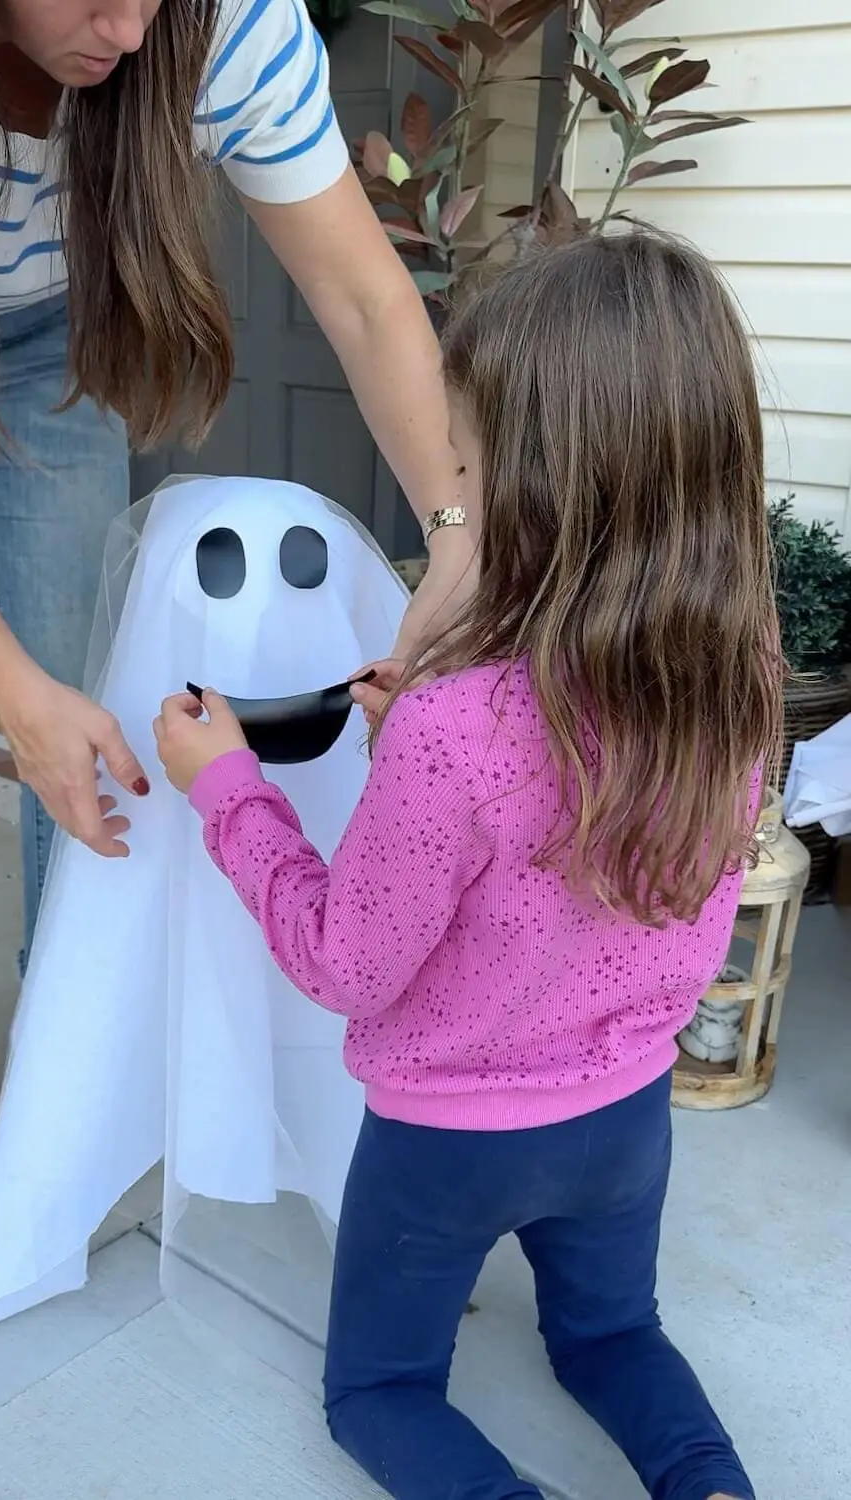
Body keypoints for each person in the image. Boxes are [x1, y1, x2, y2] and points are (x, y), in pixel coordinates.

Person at [152, 228, 782, 1500]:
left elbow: (345, 962)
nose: (457, 476)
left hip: (448, 1143)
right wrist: (415, 734)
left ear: (542, 481)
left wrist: (228, 786)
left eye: (469, 453)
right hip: (623, 1117)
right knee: (613, 1335)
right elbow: (587, 826)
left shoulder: (455, 730)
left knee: (378, 1392)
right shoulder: (739, 676)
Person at [0, 0, 472, 1236]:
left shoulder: (229, 23)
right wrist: (5, 686)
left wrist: (460, 539)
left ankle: (67, 1028)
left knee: (99, 710)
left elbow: (361, 296)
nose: (133, 34)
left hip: (46, 337)